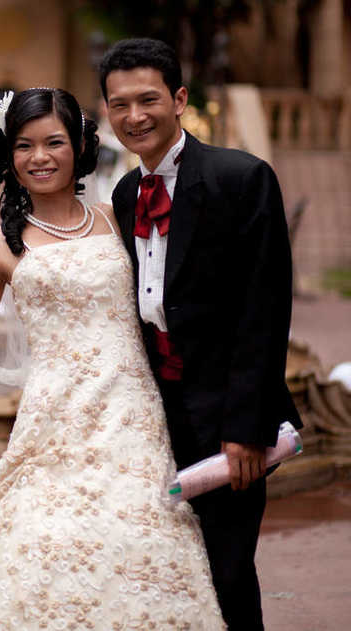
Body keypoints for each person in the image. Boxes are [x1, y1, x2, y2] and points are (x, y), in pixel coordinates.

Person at [0, 87, 225, 630]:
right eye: (24, 145)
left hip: (131, 411)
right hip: (54, 415)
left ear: (80, 148)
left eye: (53, 142)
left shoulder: (119, 216)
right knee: (46, 543)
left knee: (139, 533)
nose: (39, 157)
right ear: (9, 156)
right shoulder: (2, 245)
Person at [99, 38, 301, 630]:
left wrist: (245, 430)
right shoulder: (125, 192)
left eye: (148, 100)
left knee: (227, 571)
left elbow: (264, 313)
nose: (134, 117)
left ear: (179, 99)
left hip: (228, 417)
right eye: (119, 104)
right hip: (159, 414)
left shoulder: (242, 178)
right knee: (172, 571)